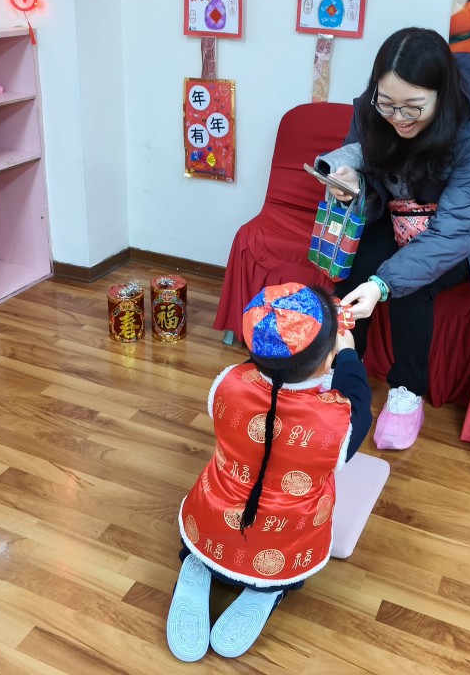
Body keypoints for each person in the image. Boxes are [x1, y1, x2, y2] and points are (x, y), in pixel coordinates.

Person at [320, 27, 470, 451]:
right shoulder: (373, 109)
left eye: (413, 107)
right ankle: (341, 372)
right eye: (388, 104)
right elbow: (371, 174)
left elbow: (457, 228)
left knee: (411, 285)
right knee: (354, 271)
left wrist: (383, 285)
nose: (399, 118)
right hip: (398, 213)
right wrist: (353, 185)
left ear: (442, 96)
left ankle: (407, 391)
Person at [166, 283, 373, 662]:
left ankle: (196, 562)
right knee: (287, 565)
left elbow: (259, 370)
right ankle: (270, 588)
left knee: (210, 519)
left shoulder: (227, 382)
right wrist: (347, 356)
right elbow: (358, 397)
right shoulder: (337, 422)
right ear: (326, 362)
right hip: (283, 543)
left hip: (209, 526)